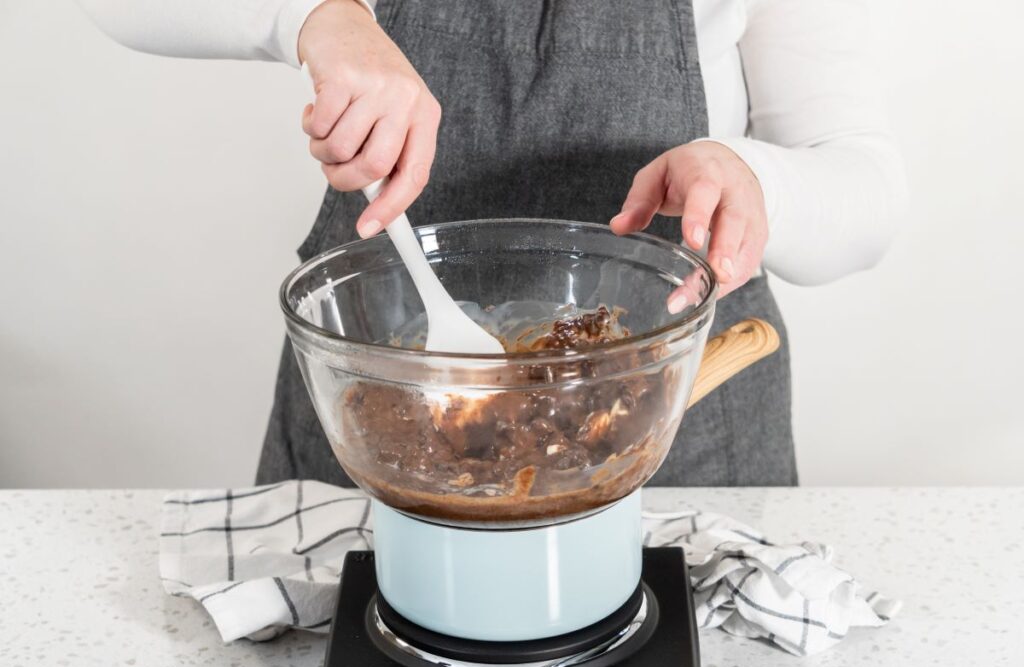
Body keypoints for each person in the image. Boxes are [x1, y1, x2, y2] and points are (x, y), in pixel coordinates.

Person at [78, 0, 907, 487]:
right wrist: (316, 17)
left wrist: (757, 182)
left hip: (679, 435)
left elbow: (865, 189)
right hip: (383, 419)